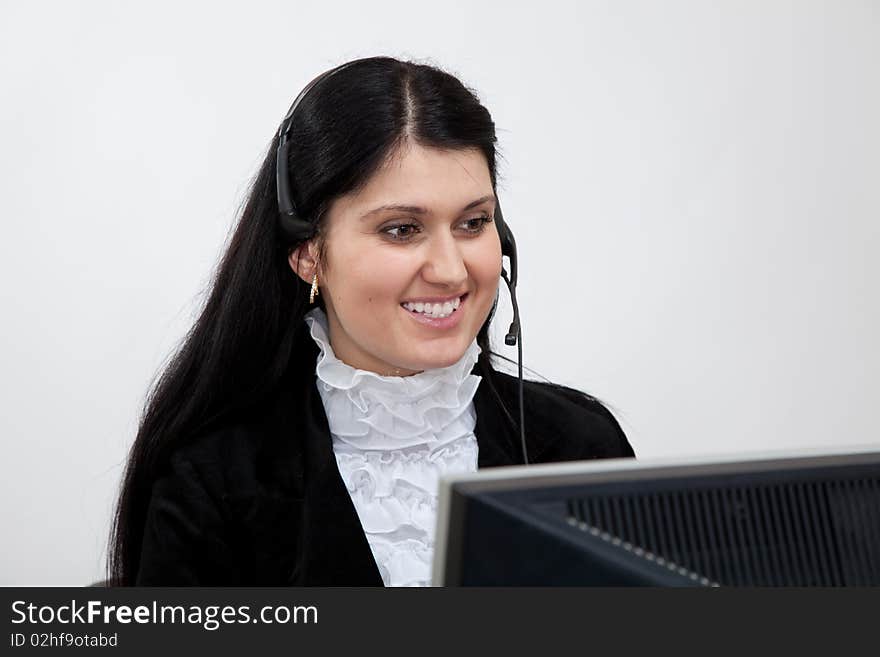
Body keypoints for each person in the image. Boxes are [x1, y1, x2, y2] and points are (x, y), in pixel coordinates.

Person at [108, 55, 635, 587]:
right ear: (309, 254)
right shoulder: (212, 486)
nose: (452, 270)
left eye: (473, 223)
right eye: (402, 230)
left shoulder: (581, 449)